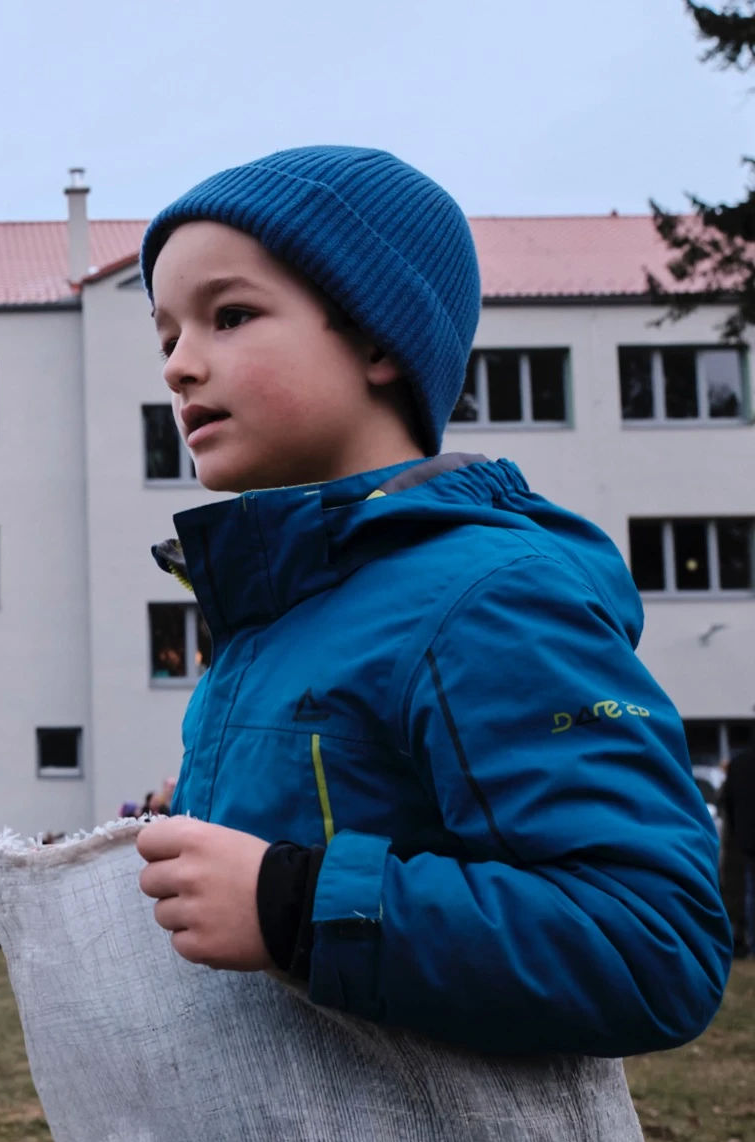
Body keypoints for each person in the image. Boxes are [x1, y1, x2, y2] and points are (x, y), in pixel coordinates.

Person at [131, 146, 729, 1058]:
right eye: (166, 334)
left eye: (231, 315)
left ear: (378, 339)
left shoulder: (488, 598)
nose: (179, 366)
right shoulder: (280, 608)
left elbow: (655, 942)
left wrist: (285, 902)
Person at [723, 747, 755, 959]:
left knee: (751, 895)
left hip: (747, 840)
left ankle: (753, 944)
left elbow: (728, 803)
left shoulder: (738, 764)